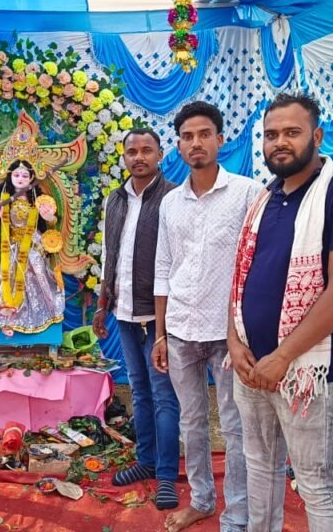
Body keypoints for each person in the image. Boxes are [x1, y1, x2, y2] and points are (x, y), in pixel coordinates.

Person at [229, 92, 333, 532]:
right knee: (260, 469)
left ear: (317, 136)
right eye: (271, 134)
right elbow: (239, 280)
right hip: (251, 368)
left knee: (317, 484)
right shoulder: (263, 200)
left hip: (307, 373)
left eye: (292, 132)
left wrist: (282, 357)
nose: (280, 142)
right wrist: (234, 343)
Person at [152, 101, 264, 532]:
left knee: (236, 426)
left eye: (203, 134)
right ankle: (200, 499)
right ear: (178, 145)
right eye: (187, 136)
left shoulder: (248, 194)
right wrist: (160, 333)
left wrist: (246, 331)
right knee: (192, 421)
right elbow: (164, 266)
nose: (195, 143)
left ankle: (237, 515)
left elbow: (258, 264)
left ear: (220, 139)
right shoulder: (170, 203)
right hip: (180, 329)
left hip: (229, 334)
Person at [92, 128, 181, 510]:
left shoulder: (174, 198)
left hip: (160, 317)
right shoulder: (115, 200)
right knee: (140, 392)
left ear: (160, 154)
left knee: (164, 397)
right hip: (124, 315)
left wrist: (165, 324)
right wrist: (102, 304)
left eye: (147, 150)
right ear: (124, 156)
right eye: (132, 151)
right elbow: (109, 256)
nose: (139, 157)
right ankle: (146, 460)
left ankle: (167, 475)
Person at [0, 158, 65, 335]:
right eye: (16, 175)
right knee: (7, 274)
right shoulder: (4, 199)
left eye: (24, 175)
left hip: (32, 243)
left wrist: (48, 216)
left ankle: (37, 313)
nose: (20, 179)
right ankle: (8, 317)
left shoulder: (37, 199)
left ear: (31, 178)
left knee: (36, 269)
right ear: (10, 177)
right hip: (11, 243)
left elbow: (52, 221)